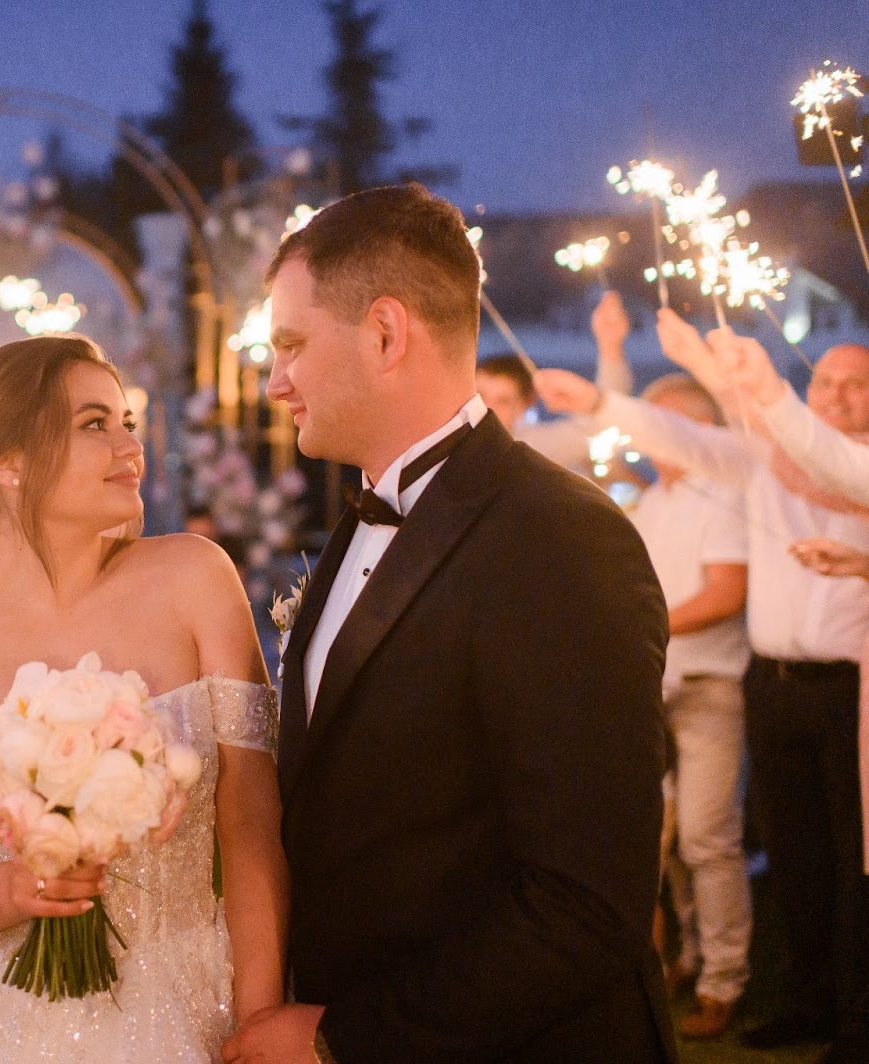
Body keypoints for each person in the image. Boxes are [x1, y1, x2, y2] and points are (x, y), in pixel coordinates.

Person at [225, 185, 672, 1064]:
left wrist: (340, 1039)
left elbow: (587, 903)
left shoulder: (560, 540)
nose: (274, 382)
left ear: (387, 334)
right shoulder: (362, 517)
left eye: (291, 345)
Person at [0, 335, 286, 1062]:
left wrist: (259, 1014)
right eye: (93, 424)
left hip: (194, 986)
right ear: (8, 463)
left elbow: (253, 826)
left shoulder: (196, 578)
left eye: (128, 423)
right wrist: (17, 888)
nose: (128, 446)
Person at [538, 323, 869, 1061]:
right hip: (771, 682)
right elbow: (682, 438)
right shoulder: (760, 465)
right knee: (795, 854)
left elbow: (752, 447)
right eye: (826, 382)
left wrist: (731, 380)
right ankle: (807, 1001)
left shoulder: (842, 468)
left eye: (856, 384)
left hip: (847, 688)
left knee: (845, 861)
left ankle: (850, 1020)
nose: (837, 396)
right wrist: (601, 392)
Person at [626, 374, 753, 1039]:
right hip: (657, 685)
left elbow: (727, 593)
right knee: (666, 841)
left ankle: (725, 980)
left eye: (657, 424)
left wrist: (647, 624)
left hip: (707, 688)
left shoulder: (723, 495)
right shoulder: (655, 502)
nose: (645, 436)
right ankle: (690, 957)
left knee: (707, 835)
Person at [473, 291, 634, 470]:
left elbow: (601, 422)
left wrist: (610, 346)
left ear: (524, 406)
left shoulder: (531, 451)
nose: (486, 408)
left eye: (503, 401)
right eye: (480, 395)